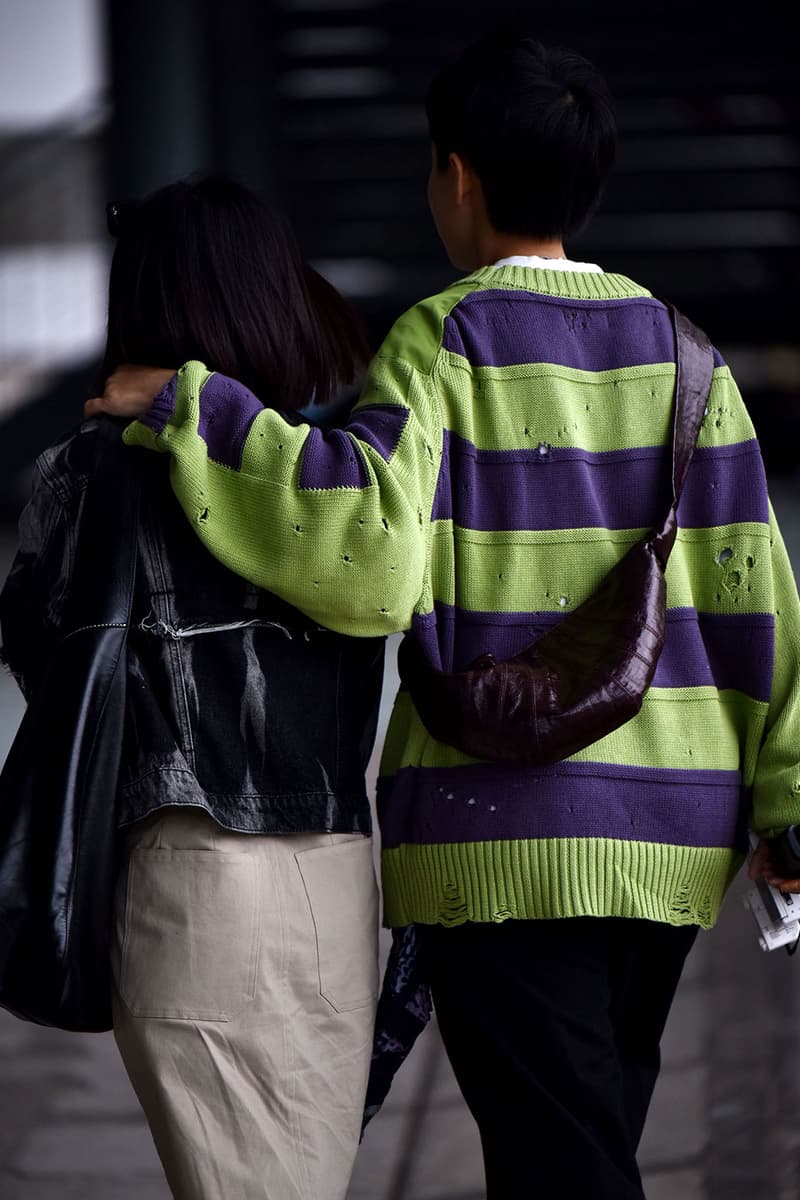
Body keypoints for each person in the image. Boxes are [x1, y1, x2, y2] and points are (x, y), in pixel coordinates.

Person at [87, 34, 800, 1198]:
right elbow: (750, 587)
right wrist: (788, 804)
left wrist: (192, 408)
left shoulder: (443, 341)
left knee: (557, 1161)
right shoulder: (688, 359)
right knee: (589, 1132)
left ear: (455, 177)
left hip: (501, 833)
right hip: (671, 841)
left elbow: (364, 550)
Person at [1, 176, 385, 1200]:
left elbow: (42, 650)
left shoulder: (89, 471)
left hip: (191, 867)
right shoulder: (341, 471)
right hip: (339, 874)